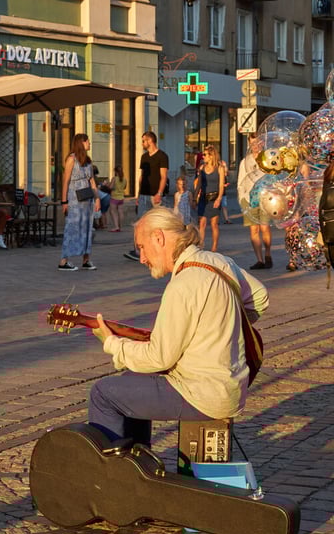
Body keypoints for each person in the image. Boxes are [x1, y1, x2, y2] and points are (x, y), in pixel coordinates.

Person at [89, 207, 268, 446]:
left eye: (141, 247)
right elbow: (260, 297)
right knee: (134, 378)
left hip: (202, 393)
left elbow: (159, 358)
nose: (142, 258)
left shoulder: (183, 285)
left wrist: (112, 343)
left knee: (104, 393)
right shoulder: (217, 261)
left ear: (159, 238)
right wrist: (222, 323)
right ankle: (140, 467)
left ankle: (113, 475)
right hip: (230, 386)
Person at [124, 131, 168, 261]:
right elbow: (142, 177)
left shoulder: (162, 156)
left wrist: (159, 193)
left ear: (150, 141)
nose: (142, 143)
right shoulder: (144, 157)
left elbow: (164, 176)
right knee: (140, 223)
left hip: (156, 195)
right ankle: (137, 251)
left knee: (157, 223)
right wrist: (138, 194)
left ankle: (160, 250)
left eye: (144, 141)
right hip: (144, 195)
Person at [59, 133, 101, 271]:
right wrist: (64, 201)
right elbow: (65, 181)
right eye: (87, 141)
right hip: (74, 199)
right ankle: (64, 261)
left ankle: (86, 259)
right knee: (72, 228)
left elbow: (92, 181)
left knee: (87, 228)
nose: (89, 143)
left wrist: (97, 198)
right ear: (81, 143)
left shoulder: (88, 161)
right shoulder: (71, 159)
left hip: (87, 198)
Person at [237, 150, 272, 270]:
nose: (256, 146)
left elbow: (273, 177)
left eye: (257, 143)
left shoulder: (267, 159)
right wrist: (241, 198)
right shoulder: (244, 162)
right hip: (249, 199)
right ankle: (260, 260)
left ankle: (267, 254)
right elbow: (240, 182)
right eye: (253, 144)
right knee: (254, 230)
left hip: (265, 198)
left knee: (265, 227)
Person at [194, 145, 226, 252]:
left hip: (214, 198)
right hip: (204, 198)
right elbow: (199, 184)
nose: (203, 157)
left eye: (205, 154)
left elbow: (221, 185)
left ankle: (214, 247)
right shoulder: (202, 168)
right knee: (202, 223)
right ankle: (201, 246)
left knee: (214, 224)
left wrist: (219, 198)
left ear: (211, 156)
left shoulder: (219, 168)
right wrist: (195, 198)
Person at [107, 164, 126, 232]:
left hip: (114, 197)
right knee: (120, 212)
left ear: (116, 172)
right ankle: (120, 226)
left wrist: (107, 184)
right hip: (121, 197)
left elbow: (111, 187)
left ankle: (116, 226)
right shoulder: (124, 179)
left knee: (113, 211)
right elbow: (124, 187)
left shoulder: (114, 178)